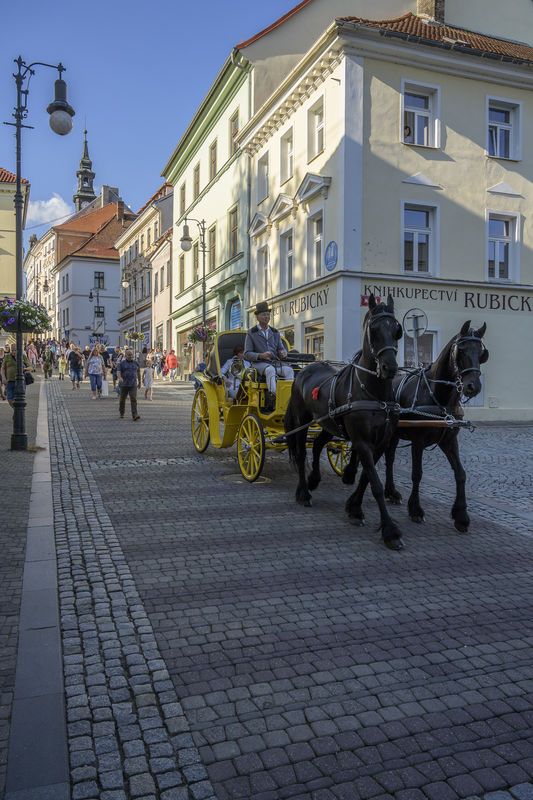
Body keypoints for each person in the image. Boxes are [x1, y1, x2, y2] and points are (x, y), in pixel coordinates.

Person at [244, 301, 294, 410]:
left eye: (267, 314)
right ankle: (274, 397)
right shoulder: (251, 333)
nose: (266, 317)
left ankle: (289, 397)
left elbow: (281, 348)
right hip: (259, 364)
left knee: (289, 371)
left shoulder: (275, 332)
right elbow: (247, 354)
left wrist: (283, 353)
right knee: (270, 370)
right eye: (263, 314)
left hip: (274, 362)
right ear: (257, 317)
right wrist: (260, 355)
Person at [0, 343, 31, 407]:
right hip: (9, 381)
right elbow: (2, 368)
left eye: (15, 350)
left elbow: (30, 367)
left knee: (20, 399)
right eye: (12, 350)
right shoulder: (7, 356)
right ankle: (15, 410)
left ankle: (17, 413)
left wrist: (24, 369)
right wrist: (3, 377)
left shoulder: (22, 356)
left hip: (20, 382)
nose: (14, 352)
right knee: (9, 398)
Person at [117, 349, 141, 420]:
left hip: (133, 384)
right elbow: (118, 372)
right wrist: (120, 377)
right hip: (124, 384)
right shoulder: (121, 364)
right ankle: (122, 412)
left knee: (133, 398)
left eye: (131, 355)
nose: (130, 356)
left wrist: (140, 382)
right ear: (125, 356)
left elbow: (138, 373)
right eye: (129, 355)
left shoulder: (136, 363)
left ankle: (135, 414)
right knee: (122, 400)